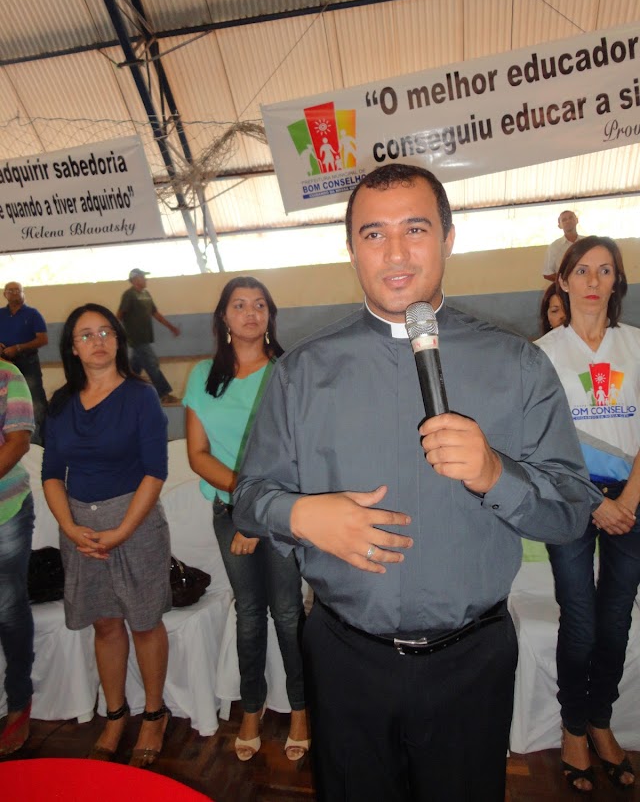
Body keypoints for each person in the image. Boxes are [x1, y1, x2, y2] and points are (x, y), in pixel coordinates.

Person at [233, 163, 597, 802]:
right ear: (351, 250)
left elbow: (571, 512)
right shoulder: (302, 373)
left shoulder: (517, 365)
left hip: (471, 662)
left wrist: (494, 474)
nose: (395, 253)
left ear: (449, 238)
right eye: (373, 234)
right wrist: (301, 516)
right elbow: (247, 498)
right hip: (345, 659)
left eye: (416, 229)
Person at [184, 277, 308, 762]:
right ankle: (251, 708)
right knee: (250, 613)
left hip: (278, 511)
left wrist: (258, 513)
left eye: (260, 305)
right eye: (240, 305)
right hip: (229, 511)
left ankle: (301, 708)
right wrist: (243, 508)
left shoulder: (285, 371)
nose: (251, 312)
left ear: (270, 316)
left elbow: (292, 454)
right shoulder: (201, 376)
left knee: (289, 611)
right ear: (223, 318)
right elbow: (197, 454)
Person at [42, 304, 172, 768]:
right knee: (104, 622)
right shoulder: (60, 404)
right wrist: (70, 526)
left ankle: (154, 713)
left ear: (117, 339)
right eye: (84, 335)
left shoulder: (140, 396)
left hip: (132, 522)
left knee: (143, 621)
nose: (96, 341)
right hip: (79, 527)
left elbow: (156, 471)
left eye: (104, 332)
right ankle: (116, 715)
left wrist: (120, 531)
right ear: (72, 348)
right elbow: (52, 473)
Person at [536, 236, 640, 793]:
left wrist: (625, 502)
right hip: (571, 502)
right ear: (564, 281)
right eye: (583, 270)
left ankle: (601, 722)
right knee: (579, 620)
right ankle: (573, 726)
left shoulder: (637, 346)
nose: (594, 280)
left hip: (633, 503)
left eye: (606, 270)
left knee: (617, 618)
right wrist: (594, 502)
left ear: (616, 281)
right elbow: (542, 445)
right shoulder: (545, 353)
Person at [0, 361, 35, 756]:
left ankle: (18, 702)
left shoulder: (8, 376)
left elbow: (18, 441)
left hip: (5, 511)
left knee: (8, 609)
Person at [117, 269, 181, 406]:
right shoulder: (129, 295)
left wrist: (171, 327)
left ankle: (123, 394)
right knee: (152, 364)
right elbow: (120, 313)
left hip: (146, 337)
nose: (146, 280)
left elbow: (155, 313)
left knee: (134, 369)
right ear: (135, 279)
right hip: (136, 338)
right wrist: (113, 330)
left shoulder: (146, 294)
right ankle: (163, 394)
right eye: (143, 277)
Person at [0, 282, 48, 445]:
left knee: (35, 402)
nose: (14, 293)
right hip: (5, 365)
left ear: (23, 293)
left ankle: (38, 442)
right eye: (10, 291)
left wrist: (19, 347)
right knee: (6, 401)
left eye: (17, 290)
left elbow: (43, 339)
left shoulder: (32, 314)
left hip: (28, 364)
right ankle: (11, 441)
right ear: (5, 294)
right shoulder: (0, 314)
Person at [543, 210, 582, 281]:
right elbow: (547, 273)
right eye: (564, 220)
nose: (568, 221)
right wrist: (565, 282)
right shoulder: (554, 247)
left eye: (571, 218)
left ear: (576, 220)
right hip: (564, 289)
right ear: (559, 225)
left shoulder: (587, 242)